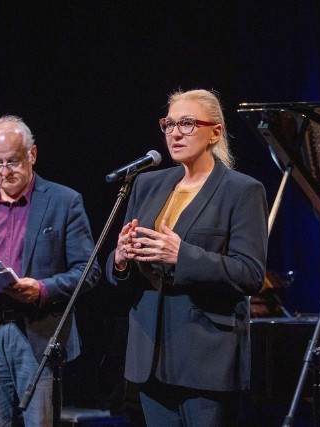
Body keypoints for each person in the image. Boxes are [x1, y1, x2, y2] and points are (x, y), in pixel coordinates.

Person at [106, 89, 268, 426]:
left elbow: (250, 273)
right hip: (149, 354)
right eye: (169, 124)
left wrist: (184, 256)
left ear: (215, 132)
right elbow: (120, 272)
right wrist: (120, 260)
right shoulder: (146, 184)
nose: (175, 133)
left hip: (205, 355)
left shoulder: (241, 190)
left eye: (188, 124)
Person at [0, 115, 101, 426]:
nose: (5, 172)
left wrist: (42, 289)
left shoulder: (64, 201)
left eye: (13, 162)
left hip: (38, 334)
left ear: (32, 155)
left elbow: (88, 270)